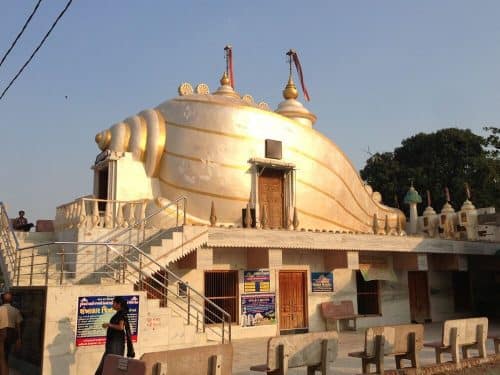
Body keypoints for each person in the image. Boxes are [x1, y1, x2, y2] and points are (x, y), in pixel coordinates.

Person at [95, 296, 134, 375]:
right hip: (114, 345)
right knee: (108, 365)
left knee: (109, 365)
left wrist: (109, 325)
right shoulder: (120, 313)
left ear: (118, 304)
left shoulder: (121, 314)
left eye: (114, 303)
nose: (112, 304)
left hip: (116, 345)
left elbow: (120, 327)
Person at [0, 292, 22, 375]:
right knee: (6, 357)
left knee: (2, 358)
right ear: (11, 300)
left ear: (2, 300)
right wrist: (19, 339)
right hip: (11, 335)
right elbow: (18, 326)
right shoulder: (16, 311)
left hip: (2, 334)